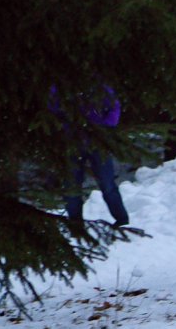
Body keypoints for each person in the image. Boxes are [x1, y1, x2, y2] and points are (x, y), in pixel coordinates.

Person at [49, 84, 130, 228]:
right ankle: (75, 221)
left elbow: (114, 108)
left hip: (97, 141)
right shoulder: (61, 86)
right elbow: (52, 110)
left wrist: (104, 126)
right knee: (72, 185)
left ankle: (122, 220)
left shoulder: (98, 85)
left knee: (107, 183)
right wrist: (64, 127)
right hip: (72, 141)